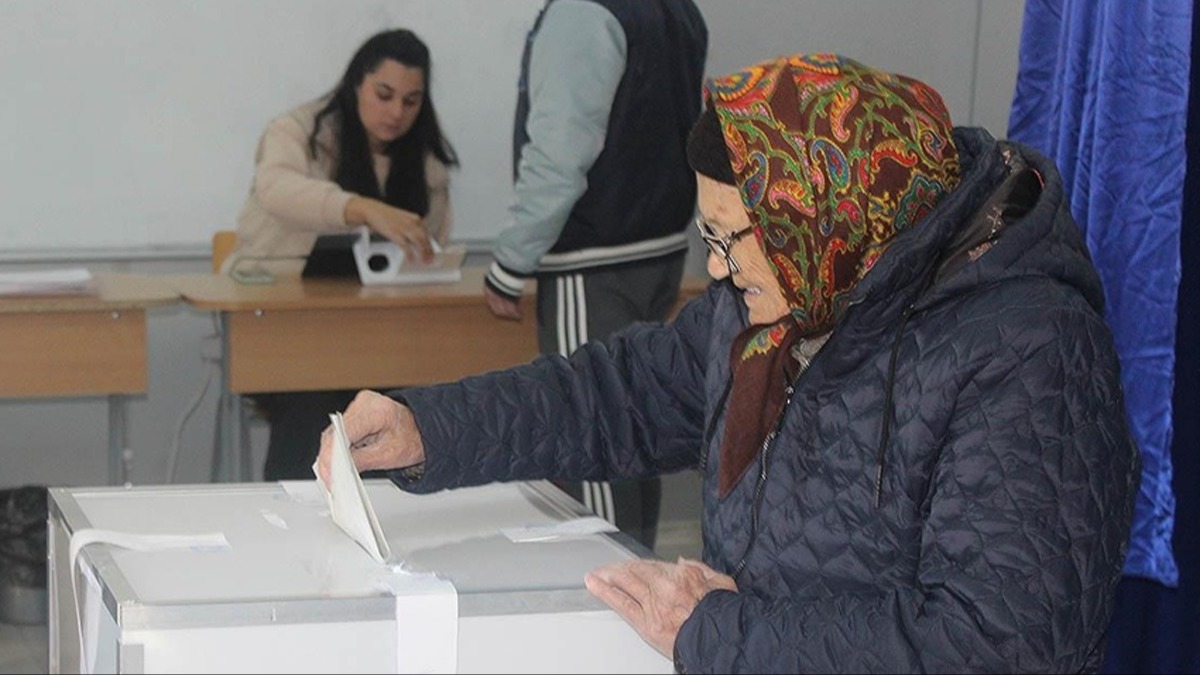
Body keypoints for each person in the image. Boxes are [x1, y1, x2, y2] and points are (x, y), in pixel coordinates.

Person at [317, 53, 1141, 673]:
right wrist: (429, 426)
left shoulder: (1030, 352)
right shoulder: (783, 301)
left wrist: (721, 634)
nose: (715, 266)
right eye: (707, 235)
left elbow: (1002, 641)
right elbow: (617, 395)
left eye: (731, 237)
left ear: (816, 215)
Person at [481, 0, 708, 550]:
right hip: (659, 248)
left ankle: (610, 582)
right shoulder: (677, 8)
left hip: (594, 259)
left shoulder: (582, 13)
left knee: (592, 433)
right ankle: (636, 573)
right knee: (636, 428)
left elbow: (560, 152)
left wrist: (510, 262)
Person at [224, 28, 458, 480]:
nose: (396, 112)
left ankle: (391, 510)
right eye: (384, 95)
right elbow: (276, 189)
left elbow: (430, 251)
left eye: (411, 101)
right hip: (291, 329)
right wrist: (363, 209)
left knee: (409, 403)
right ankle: (302, 505)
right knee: (314, 397)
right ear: (356, 84)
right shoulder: (299, 131)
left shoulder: (425, 162)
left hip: (386, 334)